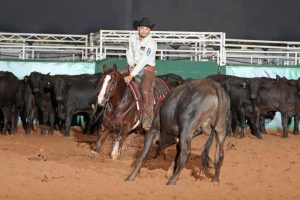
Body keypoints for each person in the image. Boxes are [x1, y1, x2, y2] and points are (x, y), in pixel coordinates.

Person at [124, 17, 157, 131]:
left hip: (147, 69)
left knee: (145, 90)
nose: (144, 31)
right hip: (134, 66)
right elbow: (129, 51)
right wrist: (130, 64)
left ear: (149, 30)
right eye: (142, 28)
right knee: (114, 76)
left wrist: (131, 75)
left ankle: (148, 118)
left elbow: (143, 61)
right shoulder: (132, 38)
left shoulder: (151, 43)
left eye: (146, 29)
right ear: (138, 29)